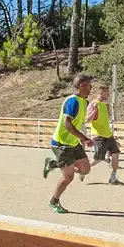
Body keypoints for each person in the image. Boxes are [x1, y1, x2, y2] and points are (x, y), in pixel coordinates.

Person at [41, 73, 94, 213]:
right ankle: (54, 202)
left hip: (73, 143)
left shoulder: (85, 102)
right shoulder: (72, 101)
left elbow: (79, 122)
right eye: (89, 85)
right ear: (82, 86)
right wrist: (84, 138)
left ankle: (54, 163)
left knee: (85, 169)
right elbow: (67, 124)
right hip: (61, 144)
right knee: (68, 177)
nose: (91, 87)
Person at [85, 84, 122, 185]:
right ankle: (84, 169)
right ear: (100, 93)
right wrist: (94, 111)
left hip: (108, 135)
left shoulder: (104, 105)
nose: (108, 95)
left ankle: (113, 177)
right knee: (98, 158)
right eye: (106, 93)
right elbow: (87, 120)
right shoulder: (93, 104)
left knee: (115, 153)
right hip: (99, 136)